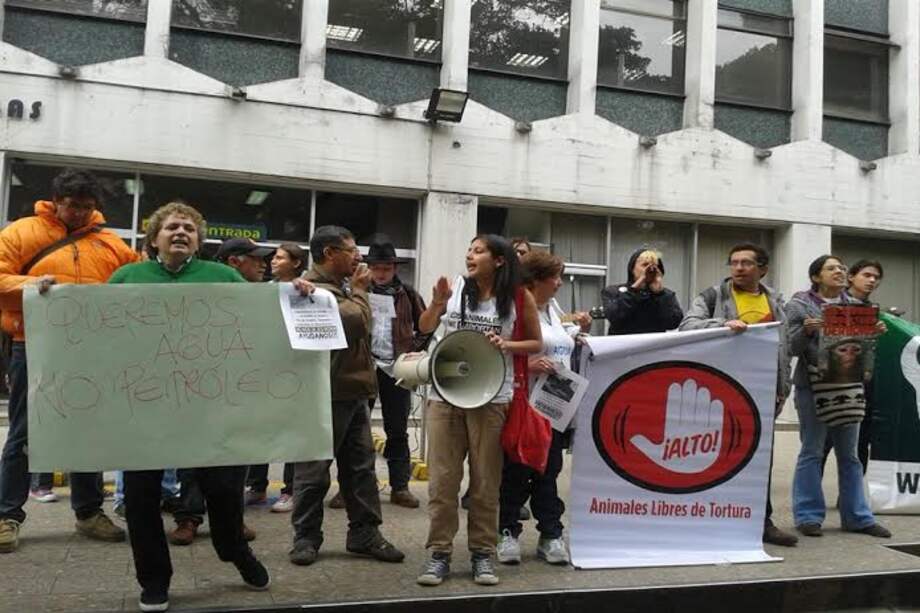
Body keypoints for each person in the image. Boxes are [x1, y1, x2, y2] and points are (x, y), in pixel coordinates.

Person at [110, 201, 282, 612]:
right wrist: (49, 297)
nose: (181, 232)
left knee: (224, 494)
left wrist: (301, 295)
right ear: (154, 238)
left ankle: (234, 550)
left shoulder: (224, 277)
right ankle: (154, 580)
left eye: (189, 227)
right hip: (147, 413)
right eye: (172, 227)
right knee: (140, 499)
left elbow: (261, 320)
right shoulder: (126, 277)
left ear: (199, 240)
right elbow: (96, 328)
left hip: (211, 411)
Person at [0, 168, 137, 553]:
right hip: (33, 344)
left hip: (92, 349)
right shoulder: (22, 232)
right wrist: (31, 283)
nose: (78, 212)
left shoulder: (110, 244)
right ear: (56, 200)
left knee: (88, 431)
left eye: (86, 206)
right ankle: (6, 514)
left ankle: (89, 513)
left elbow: (136, 279)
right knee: (25, 433)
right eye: (71, 205)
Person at [416, 234, 542, 587]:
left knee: (486, 482)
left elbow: (536, 343)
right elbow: (426, 328)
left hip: (491, 397)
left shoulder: (518, 296)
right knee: (443, 481)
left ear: (499, 260)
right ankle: (439, 553)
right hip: (446, 394)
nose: (470, 255)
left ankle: (482, 554)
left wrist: (508, 343)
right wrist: (437, 304)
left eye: (478, 250)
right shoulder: (456, 288)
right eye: (468, 249)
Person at [289, 226, 405, 567]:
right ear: (329, 253)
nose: (359, 256)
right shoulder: (307, 290)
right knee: (313, 470)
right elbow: (356, 325)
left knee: (361, 469)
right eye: (352, 250)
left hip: (354, 392)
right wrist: (359, 291)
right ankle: (306, 537)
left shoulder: (340, 289)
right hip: (323, 396)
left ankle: (364, 533)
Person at [679, 243, 798, 547]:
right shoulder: (713, 296)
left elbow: (783, 346)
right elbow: (686, 326)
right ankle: (714, 518)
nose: (739, 268)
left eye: (747, 263)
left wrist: (782, 387)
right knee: (719, 453)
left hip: (764, 391)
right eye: (734, 262)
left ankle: (761, 522)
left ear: (763, 269)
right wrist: (722, 324)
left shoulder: (776, 301)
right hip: (723, 390)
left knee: (761, 460)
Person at [785, 254, 890, 539]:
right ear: (816, 276)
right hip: (813, 386)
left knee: (851, 455)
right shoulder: (799, 304)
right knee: (812, 450)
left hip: (849, 386)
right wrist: (806, 332)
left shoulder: (857, 307)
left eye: (842, 268)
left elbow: (863, 352)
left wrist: (874, 333)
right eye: (832, 268)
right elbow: (790, 347)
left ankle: (857, 516)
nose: (840, 271)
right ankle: (808, 516)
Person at [497, 250, 580, 567]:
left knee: (549, 473)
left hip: (554, 407)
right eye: (554, 277)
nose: (559, 283)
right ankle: (507, 532)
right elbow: (499, 351)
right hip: (523, 404)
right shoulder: (515, 309)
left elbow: (563, 343)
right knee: (516, 473)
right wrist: (529, 362)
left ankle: (551, 534)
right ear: (535, 280)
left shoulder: (553, 310)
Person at [363, 235, 430, 508]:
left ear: (394, 269)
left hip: (396, 368)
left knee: (398, 429)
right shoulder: (356, 290)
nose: (380, 273)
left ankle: (399, 487)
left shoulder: (409, 294)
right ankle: (351, 488)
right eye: (376, 268)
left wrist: (413, 350)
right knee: (355, 430)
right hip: (363, 366)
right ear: (369, 268)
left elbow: (426, 326)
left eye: (386, 268)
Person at [213, 238, 279, 509]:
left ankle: (232, 515)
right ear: (233, 262)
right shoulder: (209, 294)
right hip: (213, 392)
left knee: (241, 455)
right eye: (256, 258)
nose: (263, 264)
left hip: (248, 390)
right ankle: (189, 517)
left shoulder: (263, 296)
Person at [821, 259, 884, 475]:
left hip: (864, 380)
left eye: (876, 277)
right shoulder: (833, 304)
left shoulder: (873, 311)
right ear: (851, 277)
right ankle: (812, 494)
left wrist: (875, 333)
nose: (872, 280)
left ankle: (851, 497)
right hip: (835, 381)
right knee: (824, 440)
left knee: (862, 439)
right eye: (867, 275)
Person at [601, 248, 683, 335]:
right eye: (645, 265)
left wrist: (660, 294)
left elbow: (674, 323)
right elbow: (615, 317)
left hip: (652, 346)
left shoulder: (665, 294)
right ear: (632, 269)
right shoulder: (613, 291)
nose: (651, 270)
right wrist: (634, 290)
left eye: (655, 266)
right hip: (622, 346)